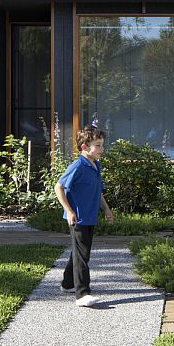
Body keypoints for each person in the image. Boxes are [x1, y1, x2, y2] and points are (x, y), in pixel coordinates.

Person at [54, 125, 114, 307]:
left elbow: (98, 192)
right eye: (98, 145)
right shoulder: (78, 166)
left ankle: (67, 283)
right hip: (78, 217)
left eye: (102, 145)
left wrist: (106, 209)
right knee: (82, 255)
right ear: (85, 147)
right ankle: (82, 294)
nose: (102, 149)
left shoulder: (96, 165)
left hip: (90, 216)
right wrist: (70, 211)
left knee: (79, 252)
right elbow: (59, 187)